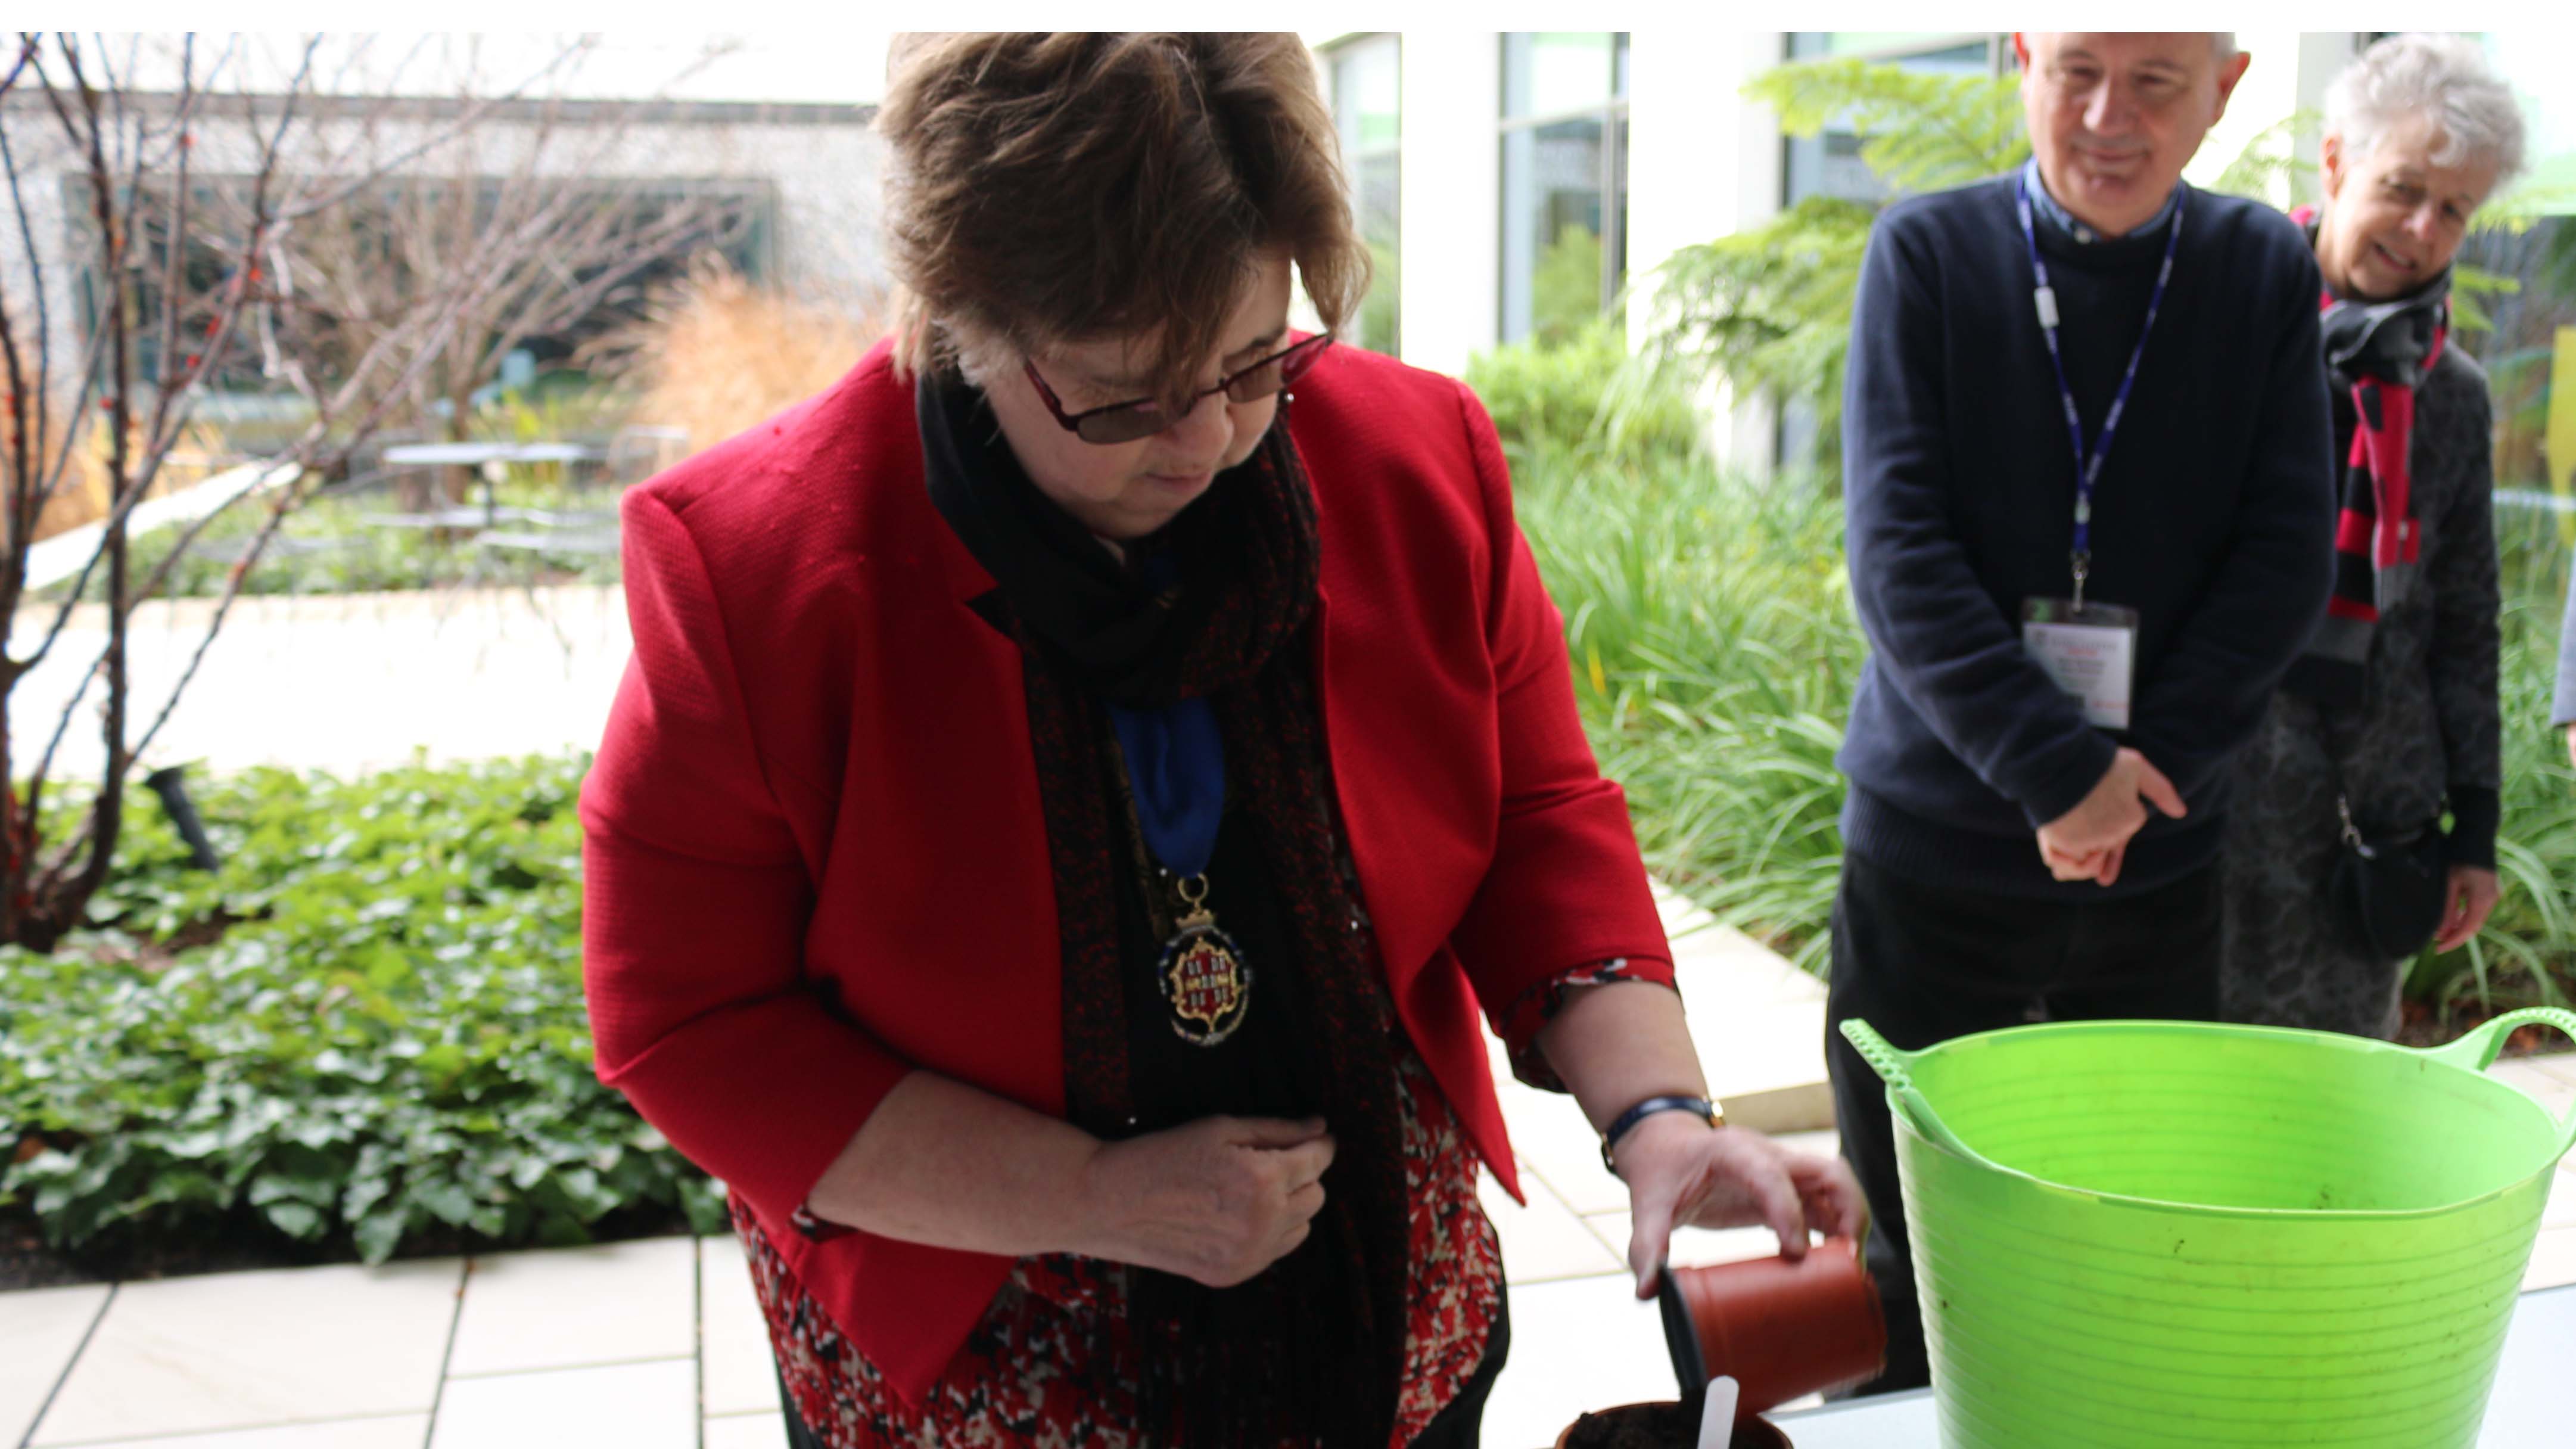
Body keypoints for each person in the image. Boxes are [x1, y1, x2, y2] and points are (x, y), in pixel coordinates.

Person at [580, 32, 1861, 1449]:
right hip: (986, 1321)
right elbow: (686, 1020)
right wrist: (1090, 1195)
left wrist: (1658, 1113)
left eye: (1257, 362)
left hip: (1380, 1289)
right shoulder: (762, 568)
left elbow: (1536, 812)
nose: (1205, 441)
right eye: (1123, 393)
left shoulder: (1410, 455)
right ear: (969, 318)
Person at [1824, 32, 2337, 1396]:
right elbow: (1896, 554)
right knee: (1910, 1239)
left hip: (2156, 855)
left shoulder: (2261, 270)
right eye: (2076, 73)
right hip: (1932, 848)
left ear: (2225, 87)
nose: (2109, 119)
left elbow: (2286, 550)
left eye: (2156, 82)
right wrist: (2057, 774)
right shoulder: (1926, 257)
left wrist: (2138, 770)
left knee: (2131, 1221)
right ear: (2019, 61)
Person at [2222, 33, 2525, 1038]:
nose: (2424, 227)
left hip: (2369, 821)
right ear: (2338, 162)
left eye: (2455, 210)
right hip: (2211, 791)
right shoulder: (2224, 330)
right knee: (2178, 1102)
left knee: (2332, 1113)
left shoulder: (2449, 392)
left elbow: (2467, 619)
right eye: (2405, 188)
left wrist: (2471, 832)